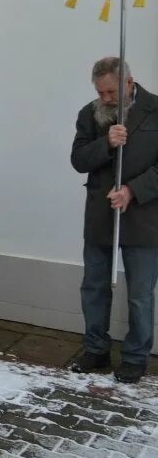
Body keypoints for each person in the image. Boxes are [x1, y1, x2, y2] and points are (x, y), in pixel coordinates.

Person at [70, 57, 158, 384]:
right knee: (93, 286)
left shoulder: (155, 110)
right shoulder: (89, 114)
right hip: (100, 216)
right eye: (100, 92)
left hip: (144, 218)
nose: (105, 98)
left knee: (140, 292)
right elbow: (78, 159)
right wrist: (106, 143)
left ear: (129, 84)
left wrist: (133, 190)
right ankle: (96, 349)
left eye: (110, 92)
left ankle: (136, 357)